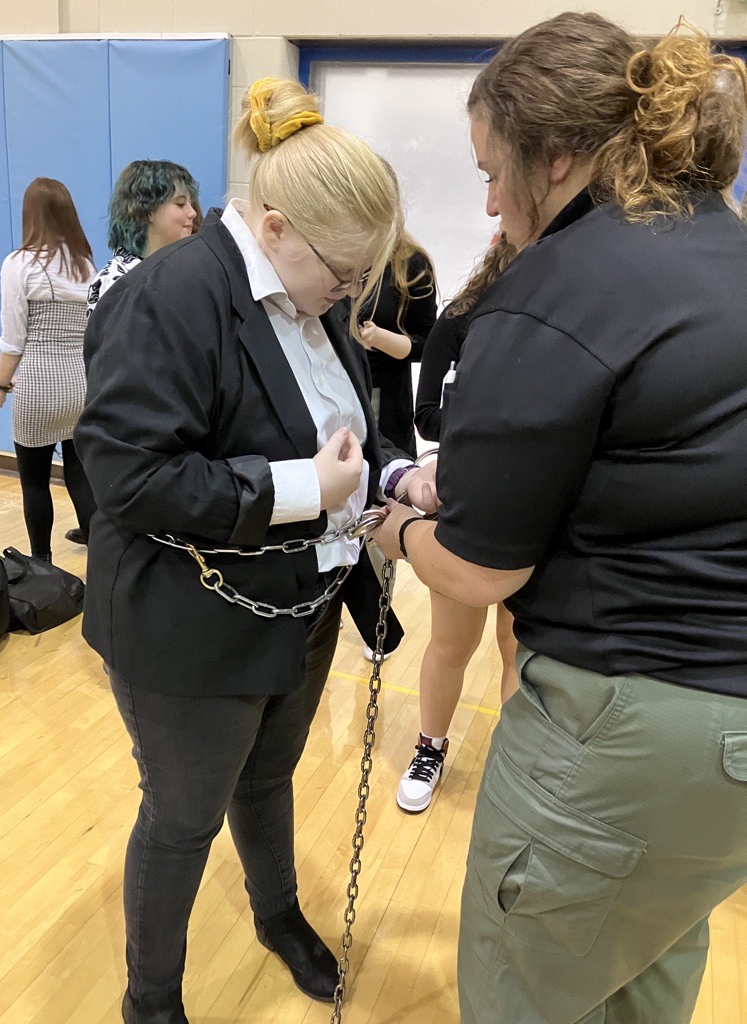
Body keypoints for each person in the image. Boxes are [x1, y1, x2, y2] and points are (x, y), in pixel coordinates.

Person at [372, 14, 747, 1023]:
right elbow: (651, 455)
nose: (489, 200)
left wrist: (390, 527)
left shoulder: (554, 289)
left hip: (626, 726)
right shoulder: (723, 244)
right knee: (647, 967)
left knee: (524, 991)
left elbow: (477, 573)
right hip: (724, 746)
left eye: (494, 171)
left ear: (560, 154)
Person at [75, 77, 436, 1024]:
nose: (352, 294)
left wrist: (395, 478)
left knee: (269, 776)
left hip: (300, 607)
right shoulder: (169, 299)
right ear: (273, 225)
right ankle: (150, 1000)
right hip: (190, 624)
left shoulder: (313, 296)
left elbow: (344, 426)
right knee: (184, 816)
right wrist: (292, 490)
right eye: (344, 271)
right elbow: (127, 478)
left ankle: (275, 913)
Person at [396, 233, 518, 814]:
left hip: (535, 507)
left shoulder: (573, 324)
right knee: (452, 642)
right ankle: (430, 745)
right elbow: (425, 415)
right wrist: (480, 426)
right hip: (464, 499)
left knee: (517, 645)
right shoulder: (460, 319)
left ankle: (513, 762)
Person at [0, 178, 97, 560]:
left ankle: (41, 563)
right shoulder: (84, 264)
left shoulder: (20, 264)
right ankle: (100, 552)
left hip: (38, 388)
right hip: (80, 386)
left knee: (34, 481)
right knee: (79, 473)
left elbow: (13, 338)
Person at [356, 170, 437, 459]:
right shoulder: (332, 251)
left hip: (383, 399)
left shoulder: (411, 265)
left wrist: (379, 338)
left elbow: (429, 345)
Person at [86, 159, 200, 315]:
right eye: (180, 204)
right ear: (148, 211)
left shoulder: (180, 271)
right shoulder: (117, 281)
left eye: (190, 203)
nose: (192, 213)